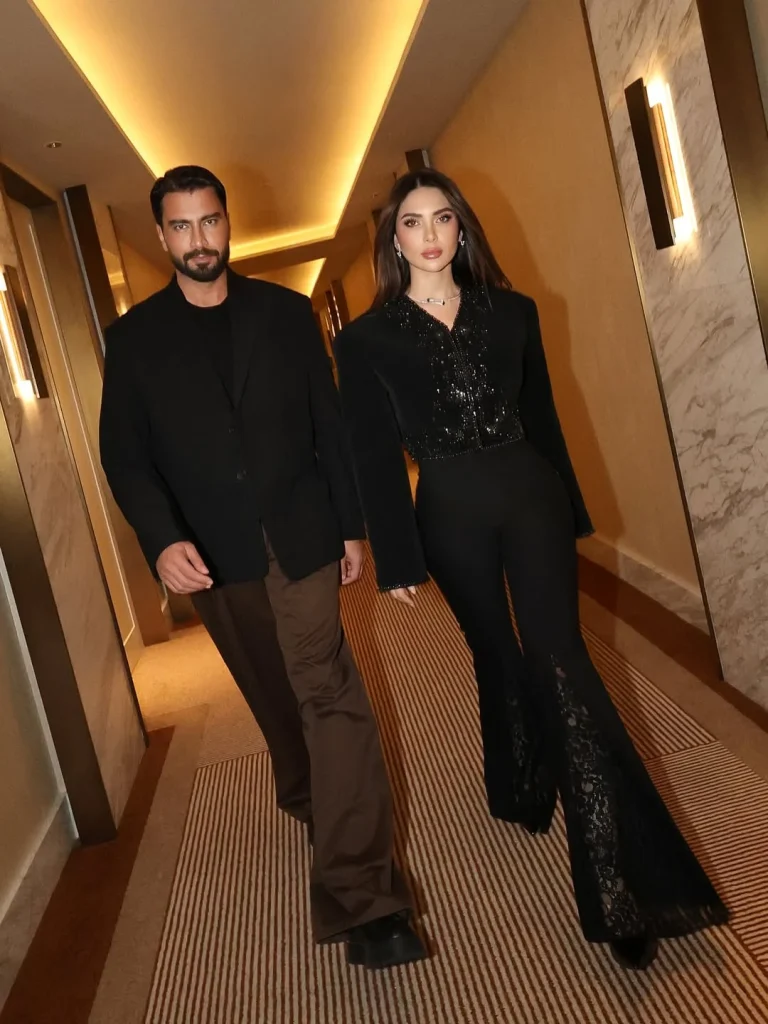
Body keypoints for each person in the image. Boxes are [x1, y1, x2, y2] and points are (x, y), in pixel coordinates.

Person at [333, 168, 728, 970]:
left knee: (560, 660)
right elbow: (372, 455)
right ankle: (519, 780)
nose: (431, 235)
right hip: (448, 510)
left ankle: (622, 883)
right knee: (495, 652)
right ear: (393, 241)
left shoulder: (512, 312)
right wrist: (396, 556)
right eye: (413, 222)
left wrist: (571, 511)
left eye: (444, 218)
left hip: (530, 495)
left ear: (463, 229)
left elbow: (543, 417)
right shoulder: (366, 339)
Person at [99, 165, 426, 970]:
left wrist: (351, 528)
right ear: (162, 236)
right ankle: (314, 799)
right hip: (214, 556)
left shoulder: (283, 314)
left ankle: (368, 899)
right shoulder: (134, 340)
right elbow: (127, 458)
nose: (198, 240)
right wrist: (160, 539)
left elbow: (329, 426)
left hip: (302, 534)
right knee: (276, 698)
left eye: (209, 221)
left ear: (227, 222)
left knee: (327, 689)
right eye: (181, 226)